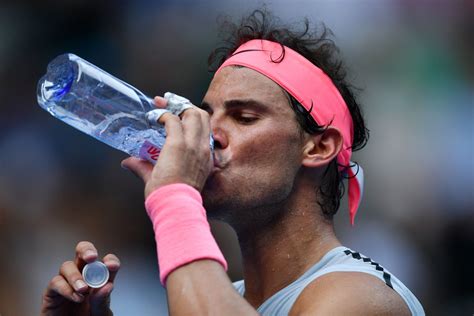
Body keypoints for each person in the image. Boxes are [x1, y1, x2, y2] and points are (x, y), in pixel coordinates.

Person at [40, 9, 424, 315]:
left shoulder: (362, 297)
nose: (211, 133)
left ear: (318, 147)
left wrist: (174, 199)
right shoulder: (221, 296)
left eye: (244, 117)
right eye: (208, 114)